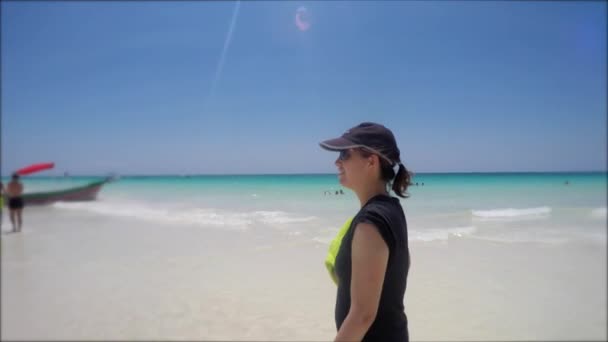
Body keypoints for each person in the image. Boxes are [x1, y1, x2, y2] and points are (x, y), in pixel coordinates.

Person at [319, 122, 412, 342]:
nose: (337, 161)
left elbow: (362, 316)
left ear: (371, 161)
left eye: (345, 154)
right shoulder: (391, 208)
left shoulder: (370, 222)